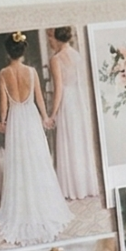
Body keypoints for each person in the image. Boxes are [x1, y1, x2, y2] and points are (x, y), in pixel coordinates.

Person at [0, 35, 69, 245]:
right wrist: (45, 118)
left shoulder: (3, 73)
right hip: (31, 118)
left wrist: (2, 122)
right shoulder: (32, 72)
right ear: (23, 51)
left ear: (8, 52)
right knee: (36, 160)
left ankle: (23, 205)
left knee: (19, 162)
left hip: (16, 120)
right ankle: (41, 202)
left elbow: (3, 103)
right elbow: (39, 99)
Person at [46, 27, 101, 202]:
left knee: (69, 140)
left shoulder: (56, 59)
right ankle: (85, 185)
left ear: (56, 38)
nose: (49, 42)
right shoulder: (77, 55)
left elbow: (59, 89)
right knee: (80, 140)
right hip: (79, 101)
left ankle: (72, 187)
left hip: (68, 103)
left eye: (50, 38)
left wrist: (52, 114)